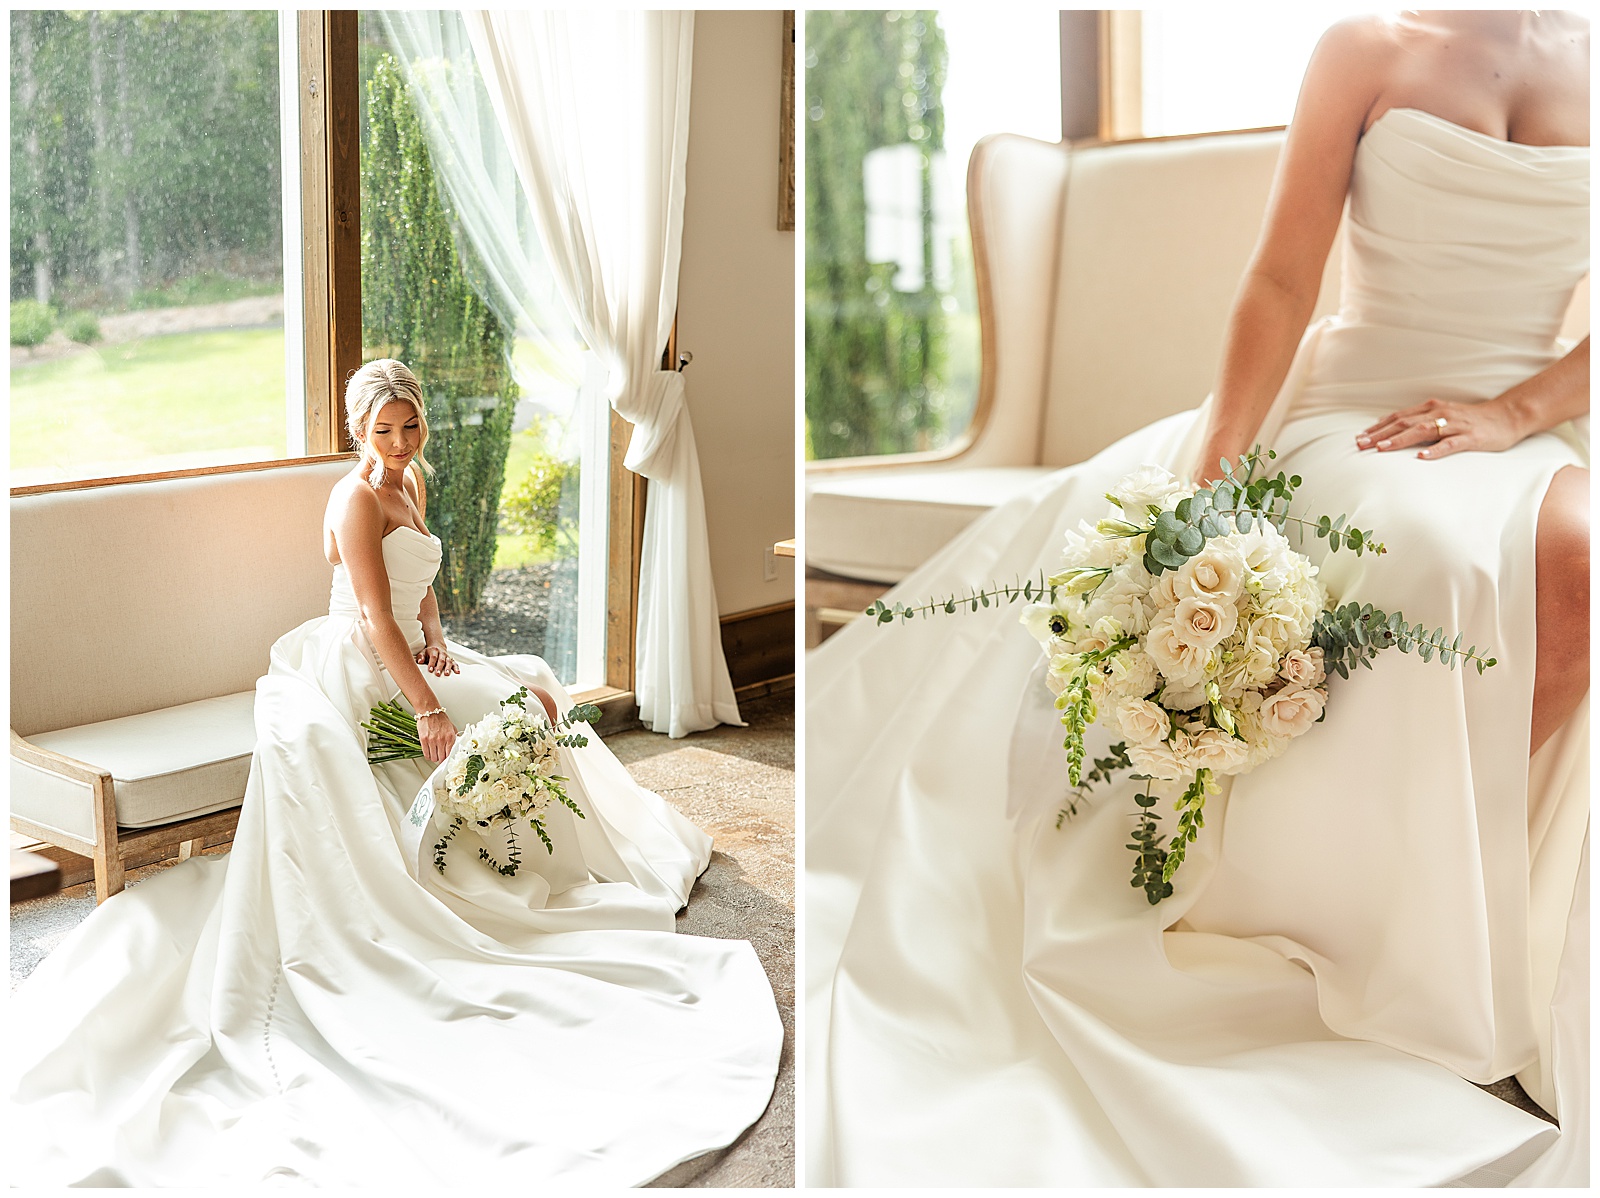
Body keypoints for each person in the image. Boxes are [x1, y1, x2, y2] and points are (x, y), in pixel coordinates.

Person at [807, 11, 1587, 1187]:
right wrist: (1213, 482)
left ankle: (1465, 942)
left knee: (1573, 557)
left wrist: (1516, 412)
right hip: (1359, 409)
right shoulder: (1369, 46)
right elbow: (1280, 277)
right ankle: (1341, 935)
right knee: (1456, 559)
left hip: (1521, 421)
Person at [10, 359, 782, 1187]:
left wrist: (440, 635)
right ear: (356, 431)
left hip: (413, 653)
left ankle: (532, 860)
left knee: (534, 698)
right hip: (357, 663)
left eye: (410, 425)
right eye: (383, 430)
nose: (400, 441)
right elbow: (374, 613)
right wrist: (425, 704)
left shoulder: (411, 482)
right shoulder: (354, 497)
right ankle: (454, 878)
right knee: (484, 718)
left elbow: (419, 584)